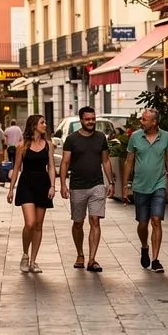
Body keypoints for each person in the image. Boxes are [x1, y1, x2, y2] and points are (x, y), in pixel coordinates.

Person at [58, 106, 114, 273]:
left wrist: (111, 182)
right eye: (88, 119)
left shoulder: (100, 138)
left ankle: (92, 259)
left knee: (95, 220)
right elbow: (65, 162)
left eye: (93, 118)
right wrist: (62, 184)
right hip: (77, 185)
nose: (91, 122)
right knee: (78, 222)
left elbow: (106, 161)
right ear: (81, 120)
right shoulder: (72, 139)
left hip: (97, 184)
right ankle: (80, 254)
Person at [124, 107, 168, 273]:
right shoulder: (135, 137)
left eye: (144, 119)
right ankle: (144, 246)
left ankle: (155, 259)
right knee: (143, 223)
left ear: (154, 122)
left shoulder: (166, 137)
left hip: (159, 184)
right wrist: (125, 185)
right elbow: (129, 161)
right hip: (140, 186)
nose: (141, 121)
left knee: (156, 220)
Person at [7, 114, 56, 273]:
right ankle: (25, 254)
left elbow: (51, 167)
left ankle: (34, 261)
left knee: (38, 224)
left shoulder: (48, 144)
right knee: (30, 223)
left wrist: (53, 186)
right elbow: (16, 168)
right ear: (34, 125)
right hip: (26, 184)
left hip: (43, 185)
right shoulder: (23, 145)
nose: (45, 125)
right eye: (42, 122)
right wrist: (10, 189)